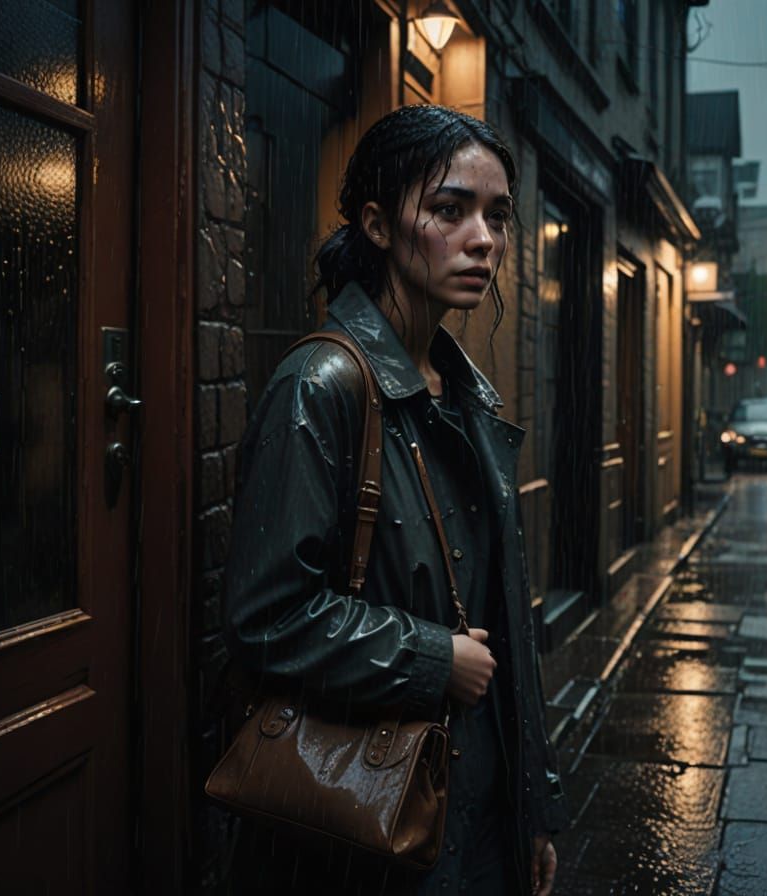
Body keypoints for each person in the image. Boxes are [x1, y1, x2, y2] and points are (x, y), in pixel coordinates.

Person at [222, 104, 567, 894]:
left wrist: (533, 808)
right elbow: (266, 617)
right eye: (450, 210)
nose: (484, 239)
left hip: (476, 805)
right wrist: (432, 656)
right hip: (368, 819)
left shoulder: (465, 395)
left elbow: (508, 627)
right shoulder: (321, 387)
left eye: (497, 215)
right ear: (378, 225)